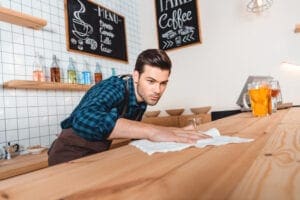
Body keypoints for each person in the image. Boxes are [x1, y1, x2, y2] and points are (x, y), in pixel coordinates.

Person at [48, 49, 210, 166]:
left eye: (163, 83)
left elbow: (135, 133)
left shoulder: (143, 97)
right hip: (68, 156)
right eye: (151, 81)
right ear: (136, 76)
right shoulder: (115, 87)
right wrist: (153, 131)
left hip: (96, 156)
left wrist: (176, 133)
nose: (157, 90)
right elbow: (84, 119)